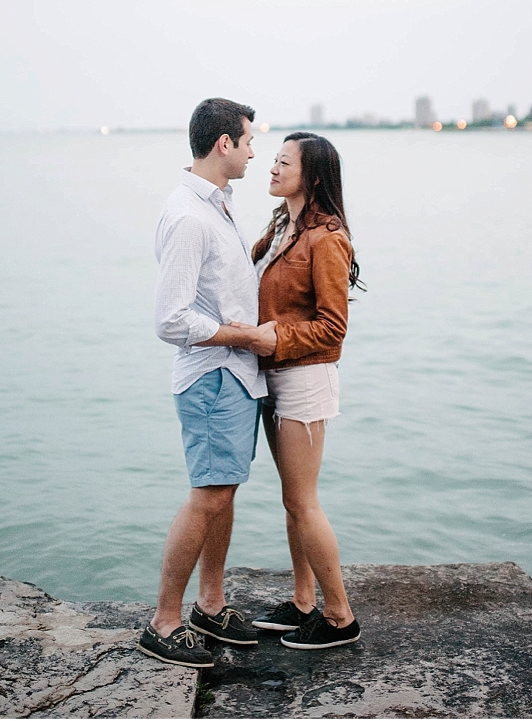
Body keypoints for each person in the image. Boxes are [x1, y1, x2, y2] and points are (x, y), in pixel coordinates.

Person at [137, 98, 277, 669]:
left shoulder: (216, 206)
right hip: (214, 378)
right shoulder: (190, 216)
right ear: (224, 143)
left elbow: (219, 286)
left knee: (224, 492)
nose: (252, 151)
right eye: (247, 141)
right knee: (208, 495)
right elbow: (171, 319)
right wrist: (243, 335)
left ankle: (210, 605)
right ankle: (164, 622)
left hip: (234, 378)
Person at [247, 131, 363, 650]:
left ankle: (340, 617)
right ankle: (301, 602)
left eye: (283, 162)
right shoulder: (281, 225)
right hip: (274, 375)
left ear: (312, 176)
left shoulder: (327, 236)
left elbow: (333, 328)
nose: (271, 168)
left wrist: (274, 337)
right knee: (292, 501)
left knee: (304, 501)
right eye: (271, 159)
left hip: (305, 379)